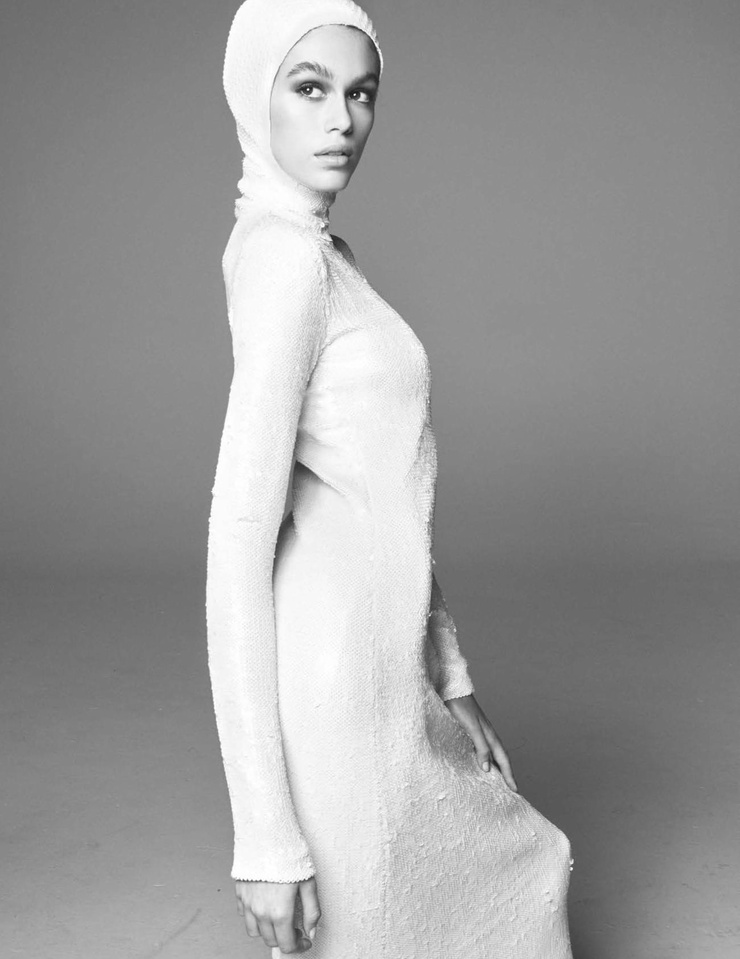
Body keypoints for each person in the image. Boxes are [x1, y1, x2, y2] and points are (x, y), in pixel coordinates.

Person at [205, 1, 575, 956]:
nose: (342, 120)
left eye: (361, 93)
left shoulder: (314, 253)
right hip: (340, 678)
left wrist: (450, 681)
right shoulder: (287, 262)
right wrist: (263, 837)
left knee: (497, 882)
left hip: (377, 655)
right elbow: (239, 537)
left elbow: (384, 497)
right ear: (253, 94)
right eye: (310, 88)